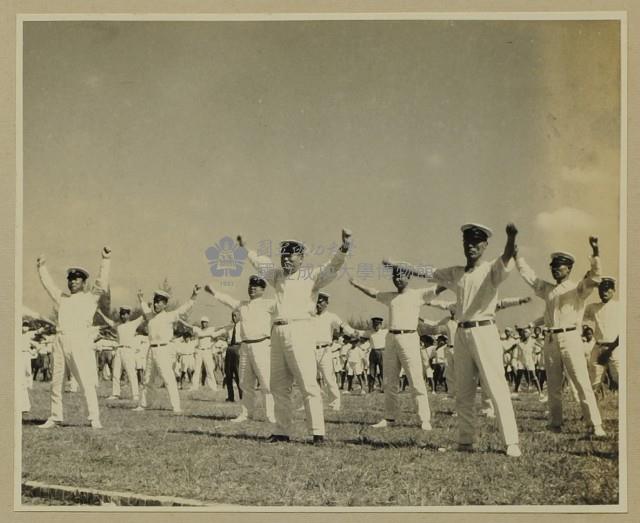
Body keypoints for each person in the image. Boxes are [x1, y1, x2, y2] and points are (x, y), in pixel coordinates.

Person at [385, 223, 522, 457]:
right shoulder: (456, 273)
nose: (472, 246)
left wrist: (511, 237)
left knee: (495, 386)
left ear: (485, 245)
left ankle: (511, 442)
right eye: (467, 242)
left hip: (484, 331)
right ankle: (465, 441)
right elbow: (428, 272)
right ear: (463, 244)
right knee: (464, 391)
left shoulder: (491, 270)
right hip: (461, 333)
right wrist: (397, 265)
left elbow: (507, 256)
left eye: (477, 242)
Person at [238, 229, 352, 444]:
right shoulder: (277, 276)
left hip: (300, 331)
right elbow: (259, 263)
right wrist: (245, 247)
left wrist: (344, 247)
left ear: (301, 258)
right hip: (277, 332)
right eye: (283, 256)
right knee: (278, 386)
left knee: (308, 383)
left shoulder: (311, 276)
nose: (286, 259)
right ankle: (282, 431)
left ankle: (317, 432)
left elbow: (332, 266)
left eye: (290, 255)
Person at [515, 236, 605, 437]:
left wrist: (596, 252)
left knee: (581, 382)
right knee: (553, 385)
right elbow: (530, 278)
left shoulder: (578, 289)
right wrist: (517, 257)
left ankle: (595, 425)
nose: (555, 269)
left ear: (569, 269)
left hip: (571, 338)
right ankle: (555, 423)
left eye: (560, 266)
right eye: (553, 266)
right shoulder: (547, 289)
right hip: (550, 339)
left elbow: (596, 278)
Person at [349, 265, 438, 431]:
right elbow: (373, 292)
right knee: (390, 381)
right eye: (394, 276)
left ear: (408, 277)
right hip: (391, 338)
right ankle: (389, 417)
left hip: (409, 337)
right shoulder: (390, 296)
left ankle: (424, 419)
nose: (397, 279)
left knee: (416, 380)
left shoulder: (418, 294)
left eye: (401, 275)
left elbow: (439, 287)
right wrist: (356, 284)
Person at [37, 247, 111, 429]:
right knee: (56, 381)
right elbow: (49, 286)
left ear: (84, 282)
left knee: (85, 380)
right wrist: (41, 268)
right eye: (69, 279)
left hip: (79, 341)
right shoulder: (63, 298)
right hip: (60, 340)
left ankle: (94, 418)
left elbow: (101, 283)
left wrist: (105, 260)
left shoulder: (90, 297)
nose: (71, 282)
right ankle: (55, 416)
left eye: (76, 279)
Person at [205, 275, 275, 423]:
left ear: (263, 290)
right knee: (244, 382)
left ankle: (271, 415)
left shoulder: (269, 303)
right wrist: (213, 292)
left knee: (266, 382)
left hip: (262, 345)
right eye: (250, 285)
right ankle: (246, 414)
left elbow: (285, 305)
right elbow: (227, 300)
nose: (252, 288)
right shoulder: (242, 305)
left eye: (256, 286)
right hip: (245, 347)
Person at [134, 286, 201, 413]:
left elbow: (184, 309)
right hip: (151, 350)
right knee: (147, 379)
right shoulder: (149, 315)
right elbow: (144, 306)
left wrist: (194, 296)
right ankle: (143, 404)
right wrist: (140, 298)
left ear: (164, 304)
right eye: (155, 301)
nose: (155, 304)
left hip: (163, 350)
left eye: (159, 302)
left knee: (168, 378)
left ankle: (176, 406)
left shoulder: (170, 316)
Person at [312, 291, 359, 410]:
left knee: (329, 378)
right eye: (317, 302)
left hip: (325, 349)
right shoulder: (310, 316)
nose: (318, 304)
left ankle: (335, 403)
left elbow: (343, 325)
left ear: (326, 304)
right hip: (311, 349)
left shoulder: (331, 316)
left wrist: (353, 332)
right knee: (310, 378)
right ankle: (312, 402)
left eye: (321, 302)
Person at [98, 307, 144, 401]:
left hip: (128, 350)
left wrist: (143, 302)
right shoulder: (118, 325)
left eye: (125, 314)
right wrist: (100, 313)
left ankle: (135, 394)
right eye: (121, 314)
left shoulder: (133, 324)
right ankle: (115, 394)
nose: (123, 316)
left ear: (129, 314)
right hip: (119, 350)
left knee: (131, 373)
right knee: (116, 373)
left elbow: (144, 316)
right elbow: (109, 322)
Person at [584, 277, 621, 395]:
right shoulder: (593, 307)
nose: (603, 292)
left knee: (621, 378)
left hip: (615, 348)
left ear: (613, 290)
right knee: (594, 381)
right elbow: (578, 315)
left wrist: (610, 350)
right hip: (598, 347)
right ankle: (592, 412)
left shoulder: (619, 306)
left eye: (607, 289)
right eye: (601, 289)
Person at [178, 316, 225, 392]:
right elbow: (188, 326)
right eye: (203, 322)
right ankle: (194, 386)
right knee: (197, 370)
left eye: (205, 322)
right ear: (201, 323)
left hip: (207, 351)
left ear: (208, 323)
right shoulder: (197, 329)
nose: (204, 323)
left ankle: (213, 387)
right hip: (199, 351)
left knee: (209, 369)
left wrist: (230, 324)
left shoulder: (211, 329)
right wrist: (180, 320)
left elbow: (220, 327)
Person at [513, 326, 545, 399]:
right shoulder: (519, 342)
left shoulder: (532, 341)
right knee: (519, 376)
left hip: (529, 361)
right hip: (521, 361)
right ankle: (515, 391)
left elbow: (541, 346)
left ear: (529, 334)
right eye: (524, 332)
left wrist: (537, 352)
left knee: (534, 376)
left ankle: (540, 392)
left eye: (526, 332)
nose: (524, 334)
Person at [224, 312, 243, 402]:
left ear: (239, 316)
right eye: (232, 316)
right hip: (229, 349)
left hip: (238, 348)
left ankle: (242, 396)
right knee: (228, 374)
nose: (234, 317)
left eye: (235, 315)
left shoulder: (243, 325)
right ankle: (230, 396)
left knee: (238, 373)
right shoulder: (230, 326)